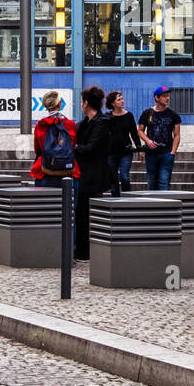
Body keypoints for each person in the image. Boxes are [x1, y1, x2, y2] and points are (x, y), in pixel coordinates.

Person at [72, 86, 113, 261]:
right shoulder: (84, 123)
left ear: (86, 103)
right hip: (83, 174)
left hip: (94, 174)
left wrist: (75, 148)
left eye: (82, 102)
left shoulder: (102, 122)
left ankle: (87, 250)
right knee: (81, 212)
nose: (81, 105)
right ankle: (80, 248)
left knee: (87, 213)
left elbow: (92, 148)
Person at [105, 90, 151, 193]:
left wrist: (140, 150)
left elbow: (134, 134)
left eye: (122, 99)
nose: (122, 101)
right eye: (119, 99)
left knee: (124, 176)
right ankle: (115, 201)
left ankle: (127, 198)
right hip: (111, 152)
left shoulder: (128, 115)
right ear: (112, 103)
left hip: (126, 151)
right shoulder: (108, 117)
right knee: (113, 178)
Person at [31, 91, 77, 190]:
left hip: (44, 170)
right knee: (66, 203)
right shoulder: (69, 124)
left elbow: (38, 150)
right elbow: (72, 146)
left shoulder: (40, 125)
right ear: (59, 104)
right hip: (66, 171)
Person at [138, 86, 182, 190]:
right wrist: (148, 141)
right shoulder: (147, 113)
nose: (167, 98)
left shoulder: (173, 114)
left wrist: (172, 153)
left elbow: (177, 135)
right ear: (156, 98)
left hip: (166, 153)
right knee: (151, 183)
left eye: (168, 96)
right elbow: (140, 130)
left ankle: (164, 205)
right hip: (151, 153)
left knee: (164, 183)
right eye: (164, 96)